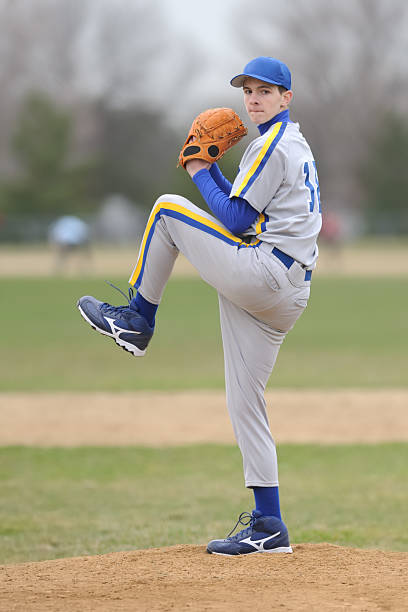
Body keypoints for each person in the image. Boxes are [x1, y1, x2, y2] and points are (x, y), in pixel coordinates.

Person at [78, 56, 322, 556]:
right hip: (286, 290)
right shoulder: (292, 144)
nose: (253, 99)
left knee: (168, 208)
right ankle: (270, 525)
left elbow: (233, 219)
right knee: (244, 402)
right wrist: (214, 174)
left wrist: (199, 166)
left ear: (286, 99)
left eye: (266, 91)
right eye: (248, 90)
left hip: (266, 274)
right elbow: (245, 210)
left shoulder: (271, 143)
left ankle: (136, 320)